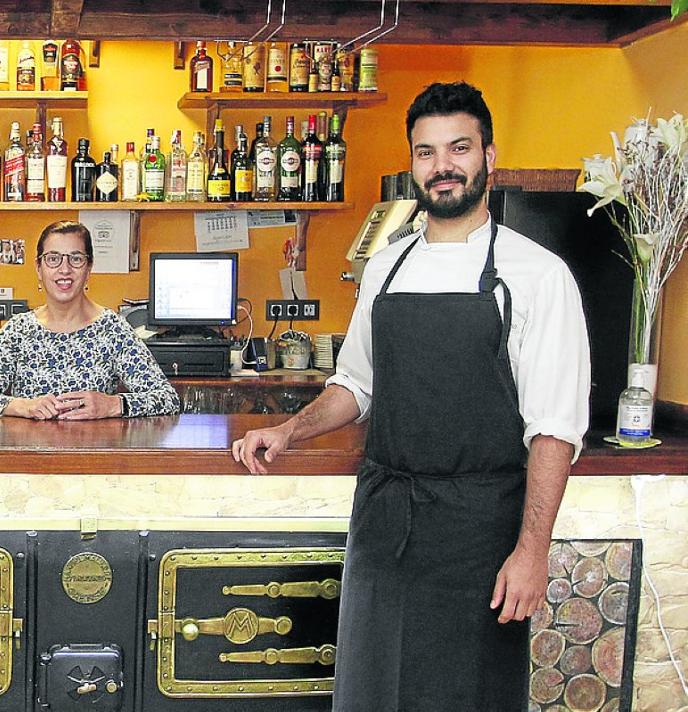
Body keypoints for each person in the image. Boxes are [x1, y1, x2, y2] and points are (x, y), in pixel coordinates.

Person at [232, 82, 589, 710]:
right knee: (372, 689)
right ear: (412, 165)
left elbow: (555, 428)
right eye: (426, 152)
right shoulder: (386, 265)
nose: (443, 166)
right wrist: (290, 431)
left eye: (458, 148)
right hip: (385, 518)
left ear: (488, 156)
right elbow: (356, 384)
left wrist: (532, 552)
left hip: (478, 531)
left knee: (462, 693)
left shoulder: (537, 275)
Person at [0, 220, 180, 419]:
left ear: (88, 269)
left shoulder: (112, 329)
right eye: (53, 259)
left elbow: (168, 399)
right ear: (39, 269)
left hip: (94, 459)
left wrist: (114, 404)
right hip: (29, 458)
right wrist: (21, 406)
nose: (64, 270)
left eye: (76, 259)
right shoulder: (18, 330)